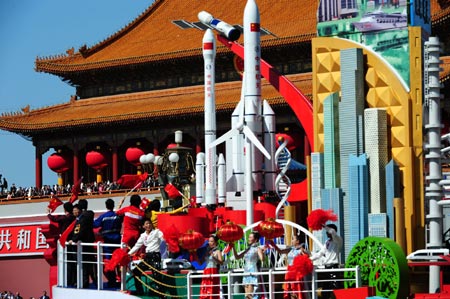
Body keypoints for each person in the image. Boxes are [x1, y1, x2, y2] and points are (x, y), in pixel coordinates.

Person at [128, 219, 165, 297]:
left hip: (155, 256)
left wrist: (168, 239)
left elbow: (163, 237)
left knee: (157, 276)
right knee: (136, 271)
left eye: (149, 223)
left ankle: (161, 295)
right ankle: (140, 291)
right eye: (146, 224)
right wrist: (129, 254)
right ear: (143, 226)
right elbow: (137, 245)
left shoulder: (156, 232)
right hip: (147, 257)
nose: (148, 225)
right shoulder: (143, 235)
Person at [94, 198, 122, 288]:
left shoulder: (104, 216)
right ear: (113, 205)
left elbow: (95, 224)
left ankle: (112, 281)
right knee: (118, 261)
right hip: (117, 242)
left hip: (108, 243)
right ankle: (121, 280)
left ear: (106, 206)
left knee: (109, 262)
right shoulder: (118, 216)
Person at [310, 224, 343, 298]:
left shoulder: (338, 240)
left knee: (335, 286)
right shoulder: (327, 242)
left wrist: (323, 225)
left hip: (333, 267)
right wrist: (309, 259)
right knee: (326, 287)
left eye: (327, 231)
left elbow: (332, 232)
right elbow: (320, 253)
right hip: (327, 267)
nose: (326, 232)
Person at [69, 199, 96, 289]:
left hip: (84, 244)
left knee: (84, 264)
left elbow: (78, 231)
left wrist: (73, 240)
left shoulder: (82, 218)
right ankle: (96, 281)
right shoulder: (89, 215)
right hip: (90, 242)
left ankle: (85, 282)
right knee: (91, 263)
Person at [275, 234, 310, 299]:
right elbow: (280, 251)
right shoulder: (290, 249)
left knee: (296, 288)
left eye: (293, 239)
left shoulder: (301, 249)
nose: (291, 241)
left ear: (297, 241)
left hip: (296, 271)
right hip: (289, 271)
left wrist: (304, 252)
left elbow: (308, 256)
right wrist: (273, 245)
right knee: (290, 289)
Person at [232, 232, 265, 299]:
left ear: (255, 240)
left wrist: (262, 252)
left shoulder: (257, 249)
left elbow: (262, 259)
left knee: (250, 295)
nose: (248, 239)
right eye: (248, 237)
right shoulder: (247, 249)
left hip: (252, 271)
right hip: (246, 272)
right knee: (247, 295)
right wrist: (233, 248)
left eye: (250, 237)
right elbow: (237, 257)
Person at [199, 234, 223, 299]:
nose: (210, 243)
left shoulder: (218, 251)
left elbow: (221, 262)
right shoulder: (207, 252)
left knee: (212, 290)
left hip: (213, 270)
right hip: (206, 271)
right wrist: (194, 253)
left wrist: (213, 257)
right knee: (205, 291)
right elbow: (200, 263)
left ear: (215, 242)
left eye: (211, 241)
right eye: (209, 241)